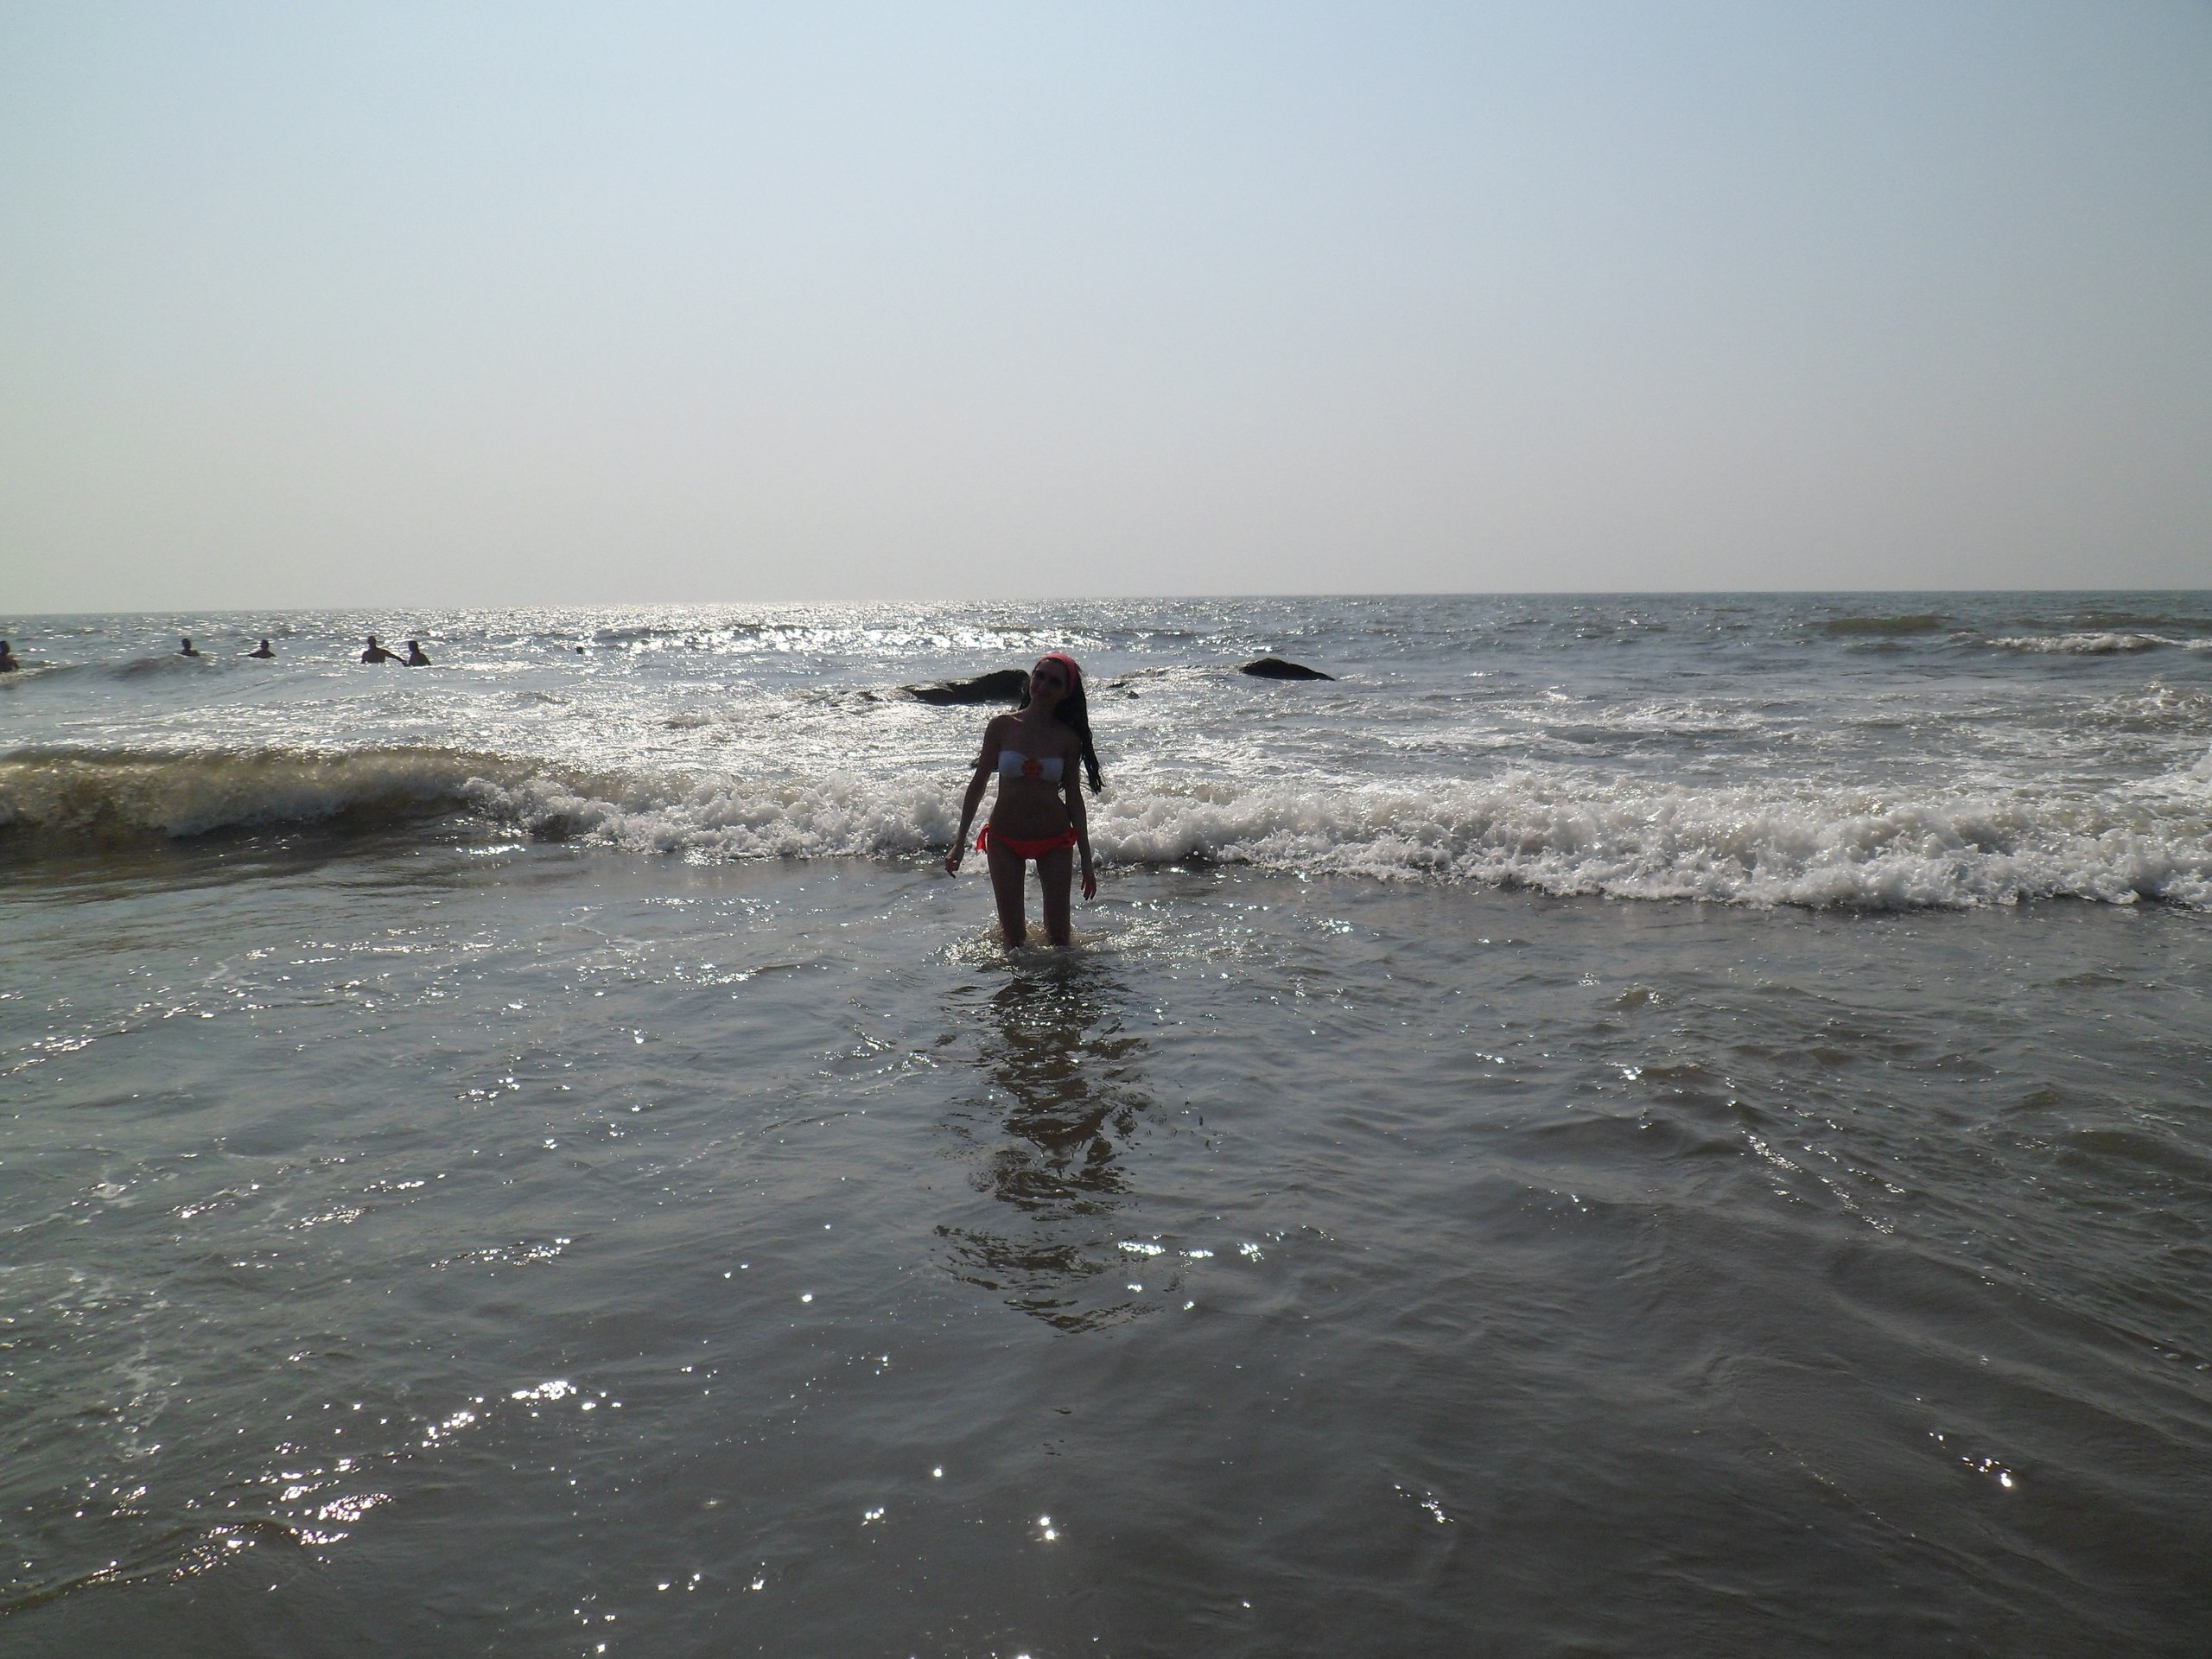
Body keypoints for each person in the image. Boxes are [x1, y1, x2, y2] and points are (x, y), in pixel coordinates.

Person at [946, 652, 1103, 947]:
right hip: (1005, 840)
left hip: (1054, 840)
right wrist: (959, 842)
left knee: (1060, 941)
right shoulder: (1001, 727)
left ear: (1065, 693)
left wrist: (1086, 860)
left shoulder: (1068, 740)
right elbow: (978, 784)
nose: (1043, 686)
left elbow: (1074, 798)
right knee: (1014, 941)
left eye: (1054, 682)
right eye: (1039, 676)